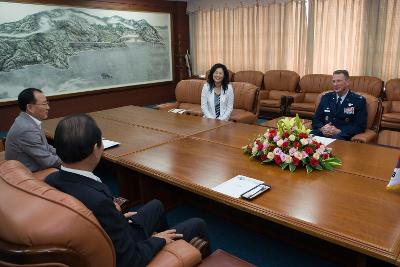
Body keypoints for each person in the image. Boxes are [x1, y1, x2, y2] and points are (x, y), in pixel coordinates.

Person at [45, 114, 209, 267]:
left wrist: (116, 218)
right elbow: (130, 260)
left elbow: (92, 219)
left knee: (156, 205)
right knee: (198, 224)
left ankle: (168, 240)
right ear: (96, 149)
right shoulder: (100, 203)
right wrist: (158, 241)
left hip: (110, 234)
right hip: (127, 250)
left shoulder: (51, 179)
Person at [5, 88, 61, 172]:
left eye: (47, 103)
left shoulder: (28, 120)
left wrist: (65, 154)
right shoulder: (26, 129)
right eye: (44, 104)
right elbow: (48, 161)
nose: (48, 107)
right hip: (31, 173)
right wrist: (72, 160)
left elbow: (46, 147)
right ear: (30, 107)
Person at [312, 70, 367, 140]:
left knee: (335, 141)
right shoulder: (326, 97)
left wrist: (339, 131)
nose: (335, 84)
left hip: (342, 134)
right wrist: (322, 128)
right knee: (306, 137)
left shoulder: (358, 100)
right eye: (333, 81)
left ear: (347, 82)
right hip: (324, 132)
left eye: (339, 81)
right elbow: (316, 119)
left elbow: (360, 126)